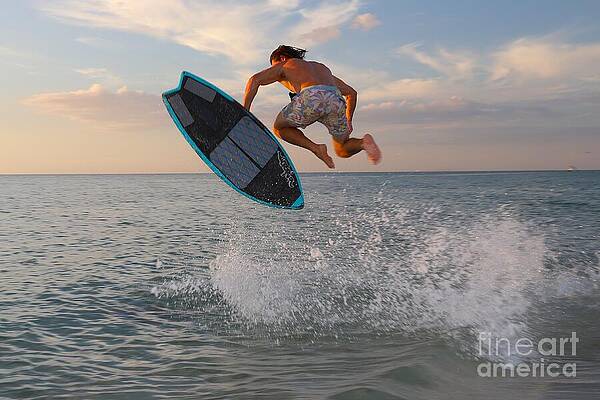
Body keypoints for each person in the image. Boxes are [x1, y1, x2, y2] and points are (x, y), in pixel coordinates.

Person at [243, 45, 381, 168]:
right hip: (335, 100)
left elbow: (254, 80)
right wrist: (348, 120)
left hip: (312, 96)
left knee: (279, 128)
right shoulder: (321, 69)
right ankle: (363, 143)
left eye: (273, 65)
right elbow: (351, 93)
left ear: (282, 58)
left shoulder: (286, 64)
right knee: (342, 149)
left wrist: (245, 111)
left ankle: (316, 148)